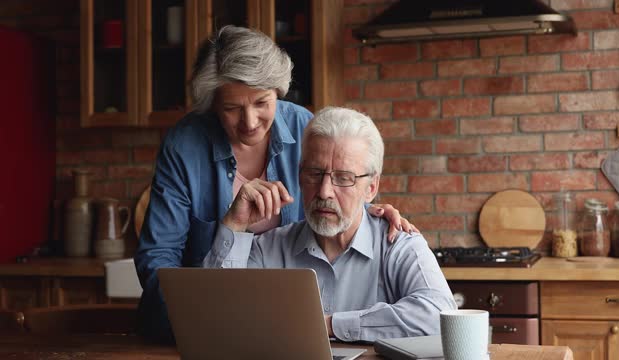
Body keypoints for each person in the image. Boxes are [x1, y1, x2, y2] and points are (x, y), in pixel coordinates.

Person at [134, 26, 417, 343]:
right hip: (205, 328)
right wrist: (196, 318)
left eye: (261, 103)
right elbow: (158, 257)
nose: (250, 122)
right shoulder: (184, 145)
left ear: (278, 91)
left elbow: (337, 199)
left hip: (292, 326)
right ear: (212, 102)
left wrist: (370, 216)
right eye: (232, 108)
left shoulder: (305, 127)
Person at [203, 107, 457, 342]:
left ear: (371, 188)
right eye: (314, 173)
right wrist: (234, 225)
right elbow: (214, 321)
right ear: (300, 177)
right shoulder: (268, 249)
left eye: (343, 178)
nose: (324, 191)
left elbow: (440, 315)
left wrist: (330, 325)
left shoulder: (398, 243)